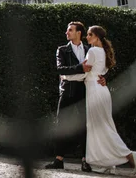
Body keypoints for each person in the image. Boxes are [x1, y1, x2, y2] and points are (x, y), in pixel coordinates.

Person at [77, 26, 136, 174]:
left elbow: (84, 70)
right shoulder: (104, 52)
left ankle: (128, 155)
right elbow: (101, 72)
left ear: (96, 37)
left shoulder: (93, 51)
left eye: (89, 35)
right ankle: (107, 163)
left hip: (94, 91)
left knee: (101, 127)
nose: (87, 37)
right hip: (101, 90)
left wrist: (65, 75)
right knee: (103, 126)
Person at [45, 21, 97, 172]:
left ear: (79, 32)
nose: (66, 33)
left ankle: (85, 160)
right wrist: (80, 68)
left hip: (83, 90)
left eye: (70, 30)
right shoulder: (62, 50)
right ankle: (58, 159)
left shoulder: (89, 49)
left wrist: (102, 77)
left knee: (84, 125)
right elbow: (60, 69)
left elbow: (96, 68)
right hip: (67, 90)